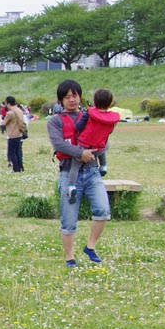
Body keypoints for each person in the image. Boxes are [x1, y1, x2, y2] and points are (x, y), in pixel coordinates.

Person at [48, 79, 110, 267]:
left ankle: (90, 246)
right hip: (69, 173)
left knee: (103, 210)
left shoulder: (91, 116)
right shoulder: (55, 121)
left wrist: (96, 151)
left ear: (80, 97)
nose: (71, 100)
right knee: (68, 219)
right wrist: (80, 153)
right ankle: (69, 257)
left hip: (92, 171)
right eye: (67, 97)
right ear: (61, 100)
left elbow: (104, 140)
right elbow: (58, 144)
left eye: (74, 95)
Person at [65, 88, 121, 201]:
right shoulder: (112, 119)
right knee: (104, 146)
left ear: (94, 102)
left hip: (84, 146)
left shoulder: (88, 114)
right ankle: (104, 165)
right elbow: (110, 132)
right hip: (99, 148)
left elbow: (78, 127)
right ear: (110, 103)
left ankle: (71, 187)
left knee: (74, 166)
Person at [2, 96, 27, 172]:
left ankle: (15, 169)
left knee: (12, 152)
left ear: (8, 103)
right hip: (19, 133)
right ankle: (20, 167)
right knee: (18, 152)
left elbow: (4, 123)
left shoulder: (10, 113)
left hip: (12, 134)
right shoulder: (19, 110)